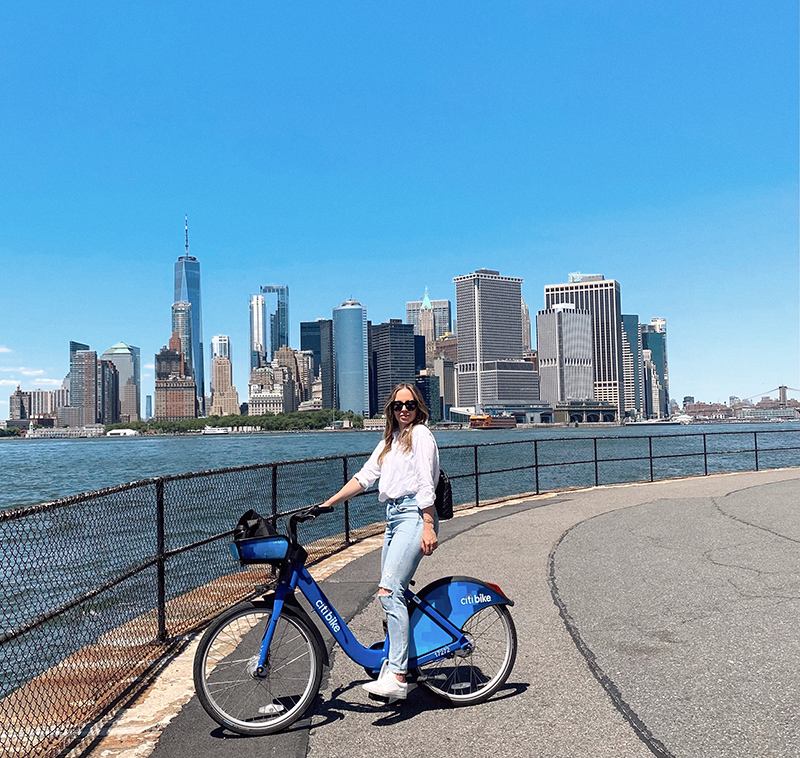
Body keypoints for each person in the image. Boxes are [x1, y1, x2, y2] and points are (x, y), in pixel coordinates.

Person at [320, 382, 439, 700]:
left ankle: (398, 677)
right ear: (390, 409)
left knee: (389, 591)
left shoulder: (421, 435)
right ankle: (401, 659)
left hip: (415, 514)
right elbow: (365, 476)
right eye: (398, 405)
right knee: (391, 591)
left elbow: (427, 482)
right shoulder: (390, 440)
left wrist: (428, 524)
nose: (404, 410)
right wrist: (328, 504)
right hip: (393, 517)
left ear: (418, 408)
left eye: (410, 405)